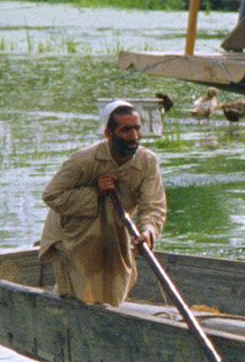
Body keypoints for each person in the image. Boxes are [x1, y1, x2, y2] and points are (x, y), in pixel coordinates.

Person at [38, 101, 167, 305]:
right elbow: (51, 196)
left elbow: (153, 206)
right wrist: (94, 192)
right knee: (81, 292)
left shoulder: (148, 162)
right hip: (73, 231)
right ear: (109, 134)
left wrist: (148, 232)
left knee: (116, 286)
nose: (134, 136)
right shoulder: (84, 159)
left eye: (137, 128)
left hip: (114, 229)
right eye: (125, 130)